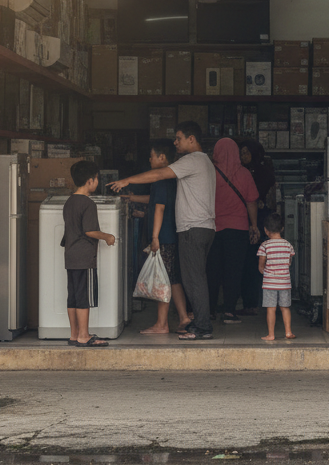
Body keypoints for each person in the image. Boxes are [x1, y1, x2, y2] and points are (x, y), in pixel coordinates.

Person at [109, 121, 216, 341]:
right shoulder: (204, 161)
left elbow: (158, 176)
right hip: (202, 227)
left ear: (191, 139)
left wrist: (127, 180)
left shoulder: (192, 160)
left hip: (193, 228)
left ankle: (203, 327)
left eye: (179, 138)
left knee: (194, 279)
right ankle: (199, 322)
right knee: (192, 278)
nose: (175, 142)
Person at [137, 139, 191, 334]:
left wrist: (154, 237)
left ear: (162, 157)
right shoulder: (172, 179)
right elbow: (155, 202)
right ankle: (184, 316)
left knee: (162, 280)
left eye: (152, 156)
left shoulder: (160, 179)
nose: (149, 160)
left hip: (164, 236)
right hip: (173, 235)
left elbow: (159, 207)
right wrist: (132, 198)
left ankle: (162, 324)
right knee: (173, 278)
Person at [62, 159, 116, 347]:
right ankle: (84, 335)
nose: (97, 182)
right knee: (84, 296)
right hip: (84, 257)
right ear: (90, 181)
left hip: (70, 256)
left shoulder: (69, 202)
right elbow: (89, 231)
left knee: (73, 296)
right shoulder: (88, 204)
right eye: (97, 179)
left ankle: (74, 334)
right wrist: (107, 236)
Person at [209, 137, 260, 324]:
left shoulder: (209, 173)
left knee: (212, 270)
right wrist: (253, 225)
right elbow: (252, 201)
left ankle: (210, 310)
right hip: (238, 229)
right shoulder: (245, 173)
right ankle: (229, 311)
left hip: (213, 228)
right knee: (233, 270)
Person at [239, 139, 277, 315]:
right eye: (242, 152)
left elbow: (255, 197)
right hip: (249, 220)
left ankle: (255, 302)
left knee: (256, 262)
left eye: (246, 152)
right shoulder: (245, 171)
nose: (243, 156)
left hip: (259, 223)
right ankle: (251, 302)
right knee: (249, 262)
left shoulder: (262, 172)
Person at [257, 212, 295, 341]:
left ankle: (271, 334)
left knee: (271, 309)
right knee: (285, 308)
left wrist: (264, 271)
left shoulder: (265, 245)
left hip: (269, 283)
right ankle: (288, 332)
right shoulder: (288, 245)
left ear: (266, 230)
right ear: (282, 228)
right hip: (284, 282)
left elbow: (261, 264)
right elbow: (289, 262)